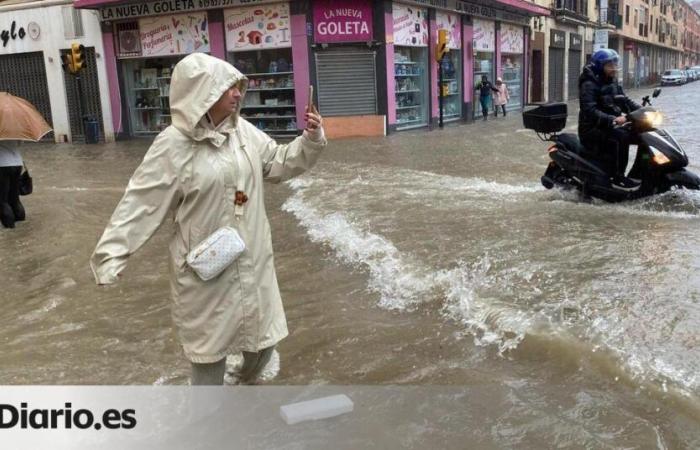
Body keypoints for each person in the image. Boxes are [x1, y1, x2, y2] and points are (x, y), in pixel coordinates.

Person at [90, 53, 327, 385]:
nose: (237, 94)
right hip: (207, 271)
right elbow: (141, 203)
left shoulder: (242, 132)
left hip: (252, 258)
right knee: (209, 355)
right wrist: (111, 254)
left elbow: (277, 162)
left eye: (237, 87)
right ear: (202, 92)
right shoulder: (173, 145)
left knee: (263, 342)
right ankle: (206, 425)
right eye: (228, 87)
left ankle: (243, 388)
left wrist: (310, 140)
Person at [578, 48, 641, 190]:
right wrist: (613, 119)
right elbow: (589, 110)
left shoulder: (612, 82)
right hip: (591, 129)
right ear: (600, 66)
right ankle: (618, 177)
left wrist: (642, 110)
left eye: (615, 64)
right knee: (622, 137)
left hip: (608, 125)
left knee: (639, 134)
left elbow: (624, 101)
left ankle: (642, 173)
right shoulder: (589, 84)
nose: (614, 68)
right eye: (610, 65)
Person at [0, 140, 25, 229]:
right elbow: (20, 143)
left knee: (2, 200)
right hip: (17, 163)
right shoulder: (15, 129)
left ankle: (9, 226)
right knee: (15, 197)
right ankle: (20, 220)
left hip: (2, 164)